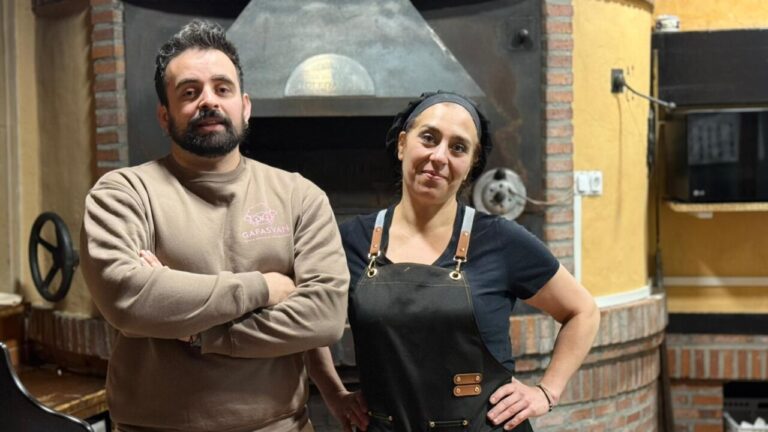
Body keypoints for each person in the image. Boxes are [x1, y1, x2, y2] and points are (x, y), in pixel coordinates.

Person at [80, 20, 349, 432]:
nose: (208, 101)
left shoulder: (298, 195)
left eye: (222, 89)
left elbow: (325, 316)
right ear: (164, 115)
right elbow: (125, 297)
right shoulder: (124, 193)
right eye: (189, 92)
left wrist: (196, 330)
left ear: (245, 105)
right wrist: (262, 288)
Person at [305, 91, 601, 432]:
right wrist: (332, 392)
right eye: (428, 138)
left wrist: (546, 392)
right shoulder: (350, 241)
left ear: (471, 165)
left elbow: (583, 311)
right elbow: (307, 322)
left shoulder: (501, 240)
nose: (439, 156)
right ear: (403, 144)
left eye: (458, 147)